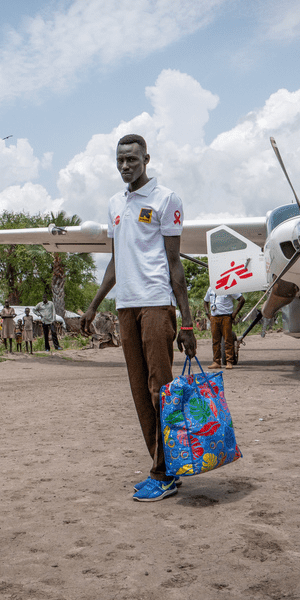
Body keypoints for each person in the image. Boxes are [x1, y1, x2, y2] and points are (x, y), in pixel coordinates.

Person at [82, 134, 196, 502]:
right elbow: (116, 262)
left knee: (160, 389)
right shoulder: (116, 203)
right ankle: (164, 469)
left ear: (146, 158)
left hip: (156, 306)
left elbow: (175, 264)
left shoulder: (166, 199)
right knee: (139, 392)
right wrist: (95, 304)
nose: (125, 166)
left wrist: (188, 322)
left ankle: (164, 473)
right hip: (125, 308)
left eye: (132, 159)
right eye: (120, 161)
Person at [204, 286, 244, 370]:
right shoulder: (210, 288)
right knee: (215, 341)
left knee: (228, 340)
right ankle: (216, 362)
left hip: (226, 317)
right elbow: (205, 302)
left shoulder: (229, 287)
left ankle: (229, 361)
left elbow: (242, 299)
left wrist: (234, 313)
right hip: (214, 318)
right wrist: (208, 314)